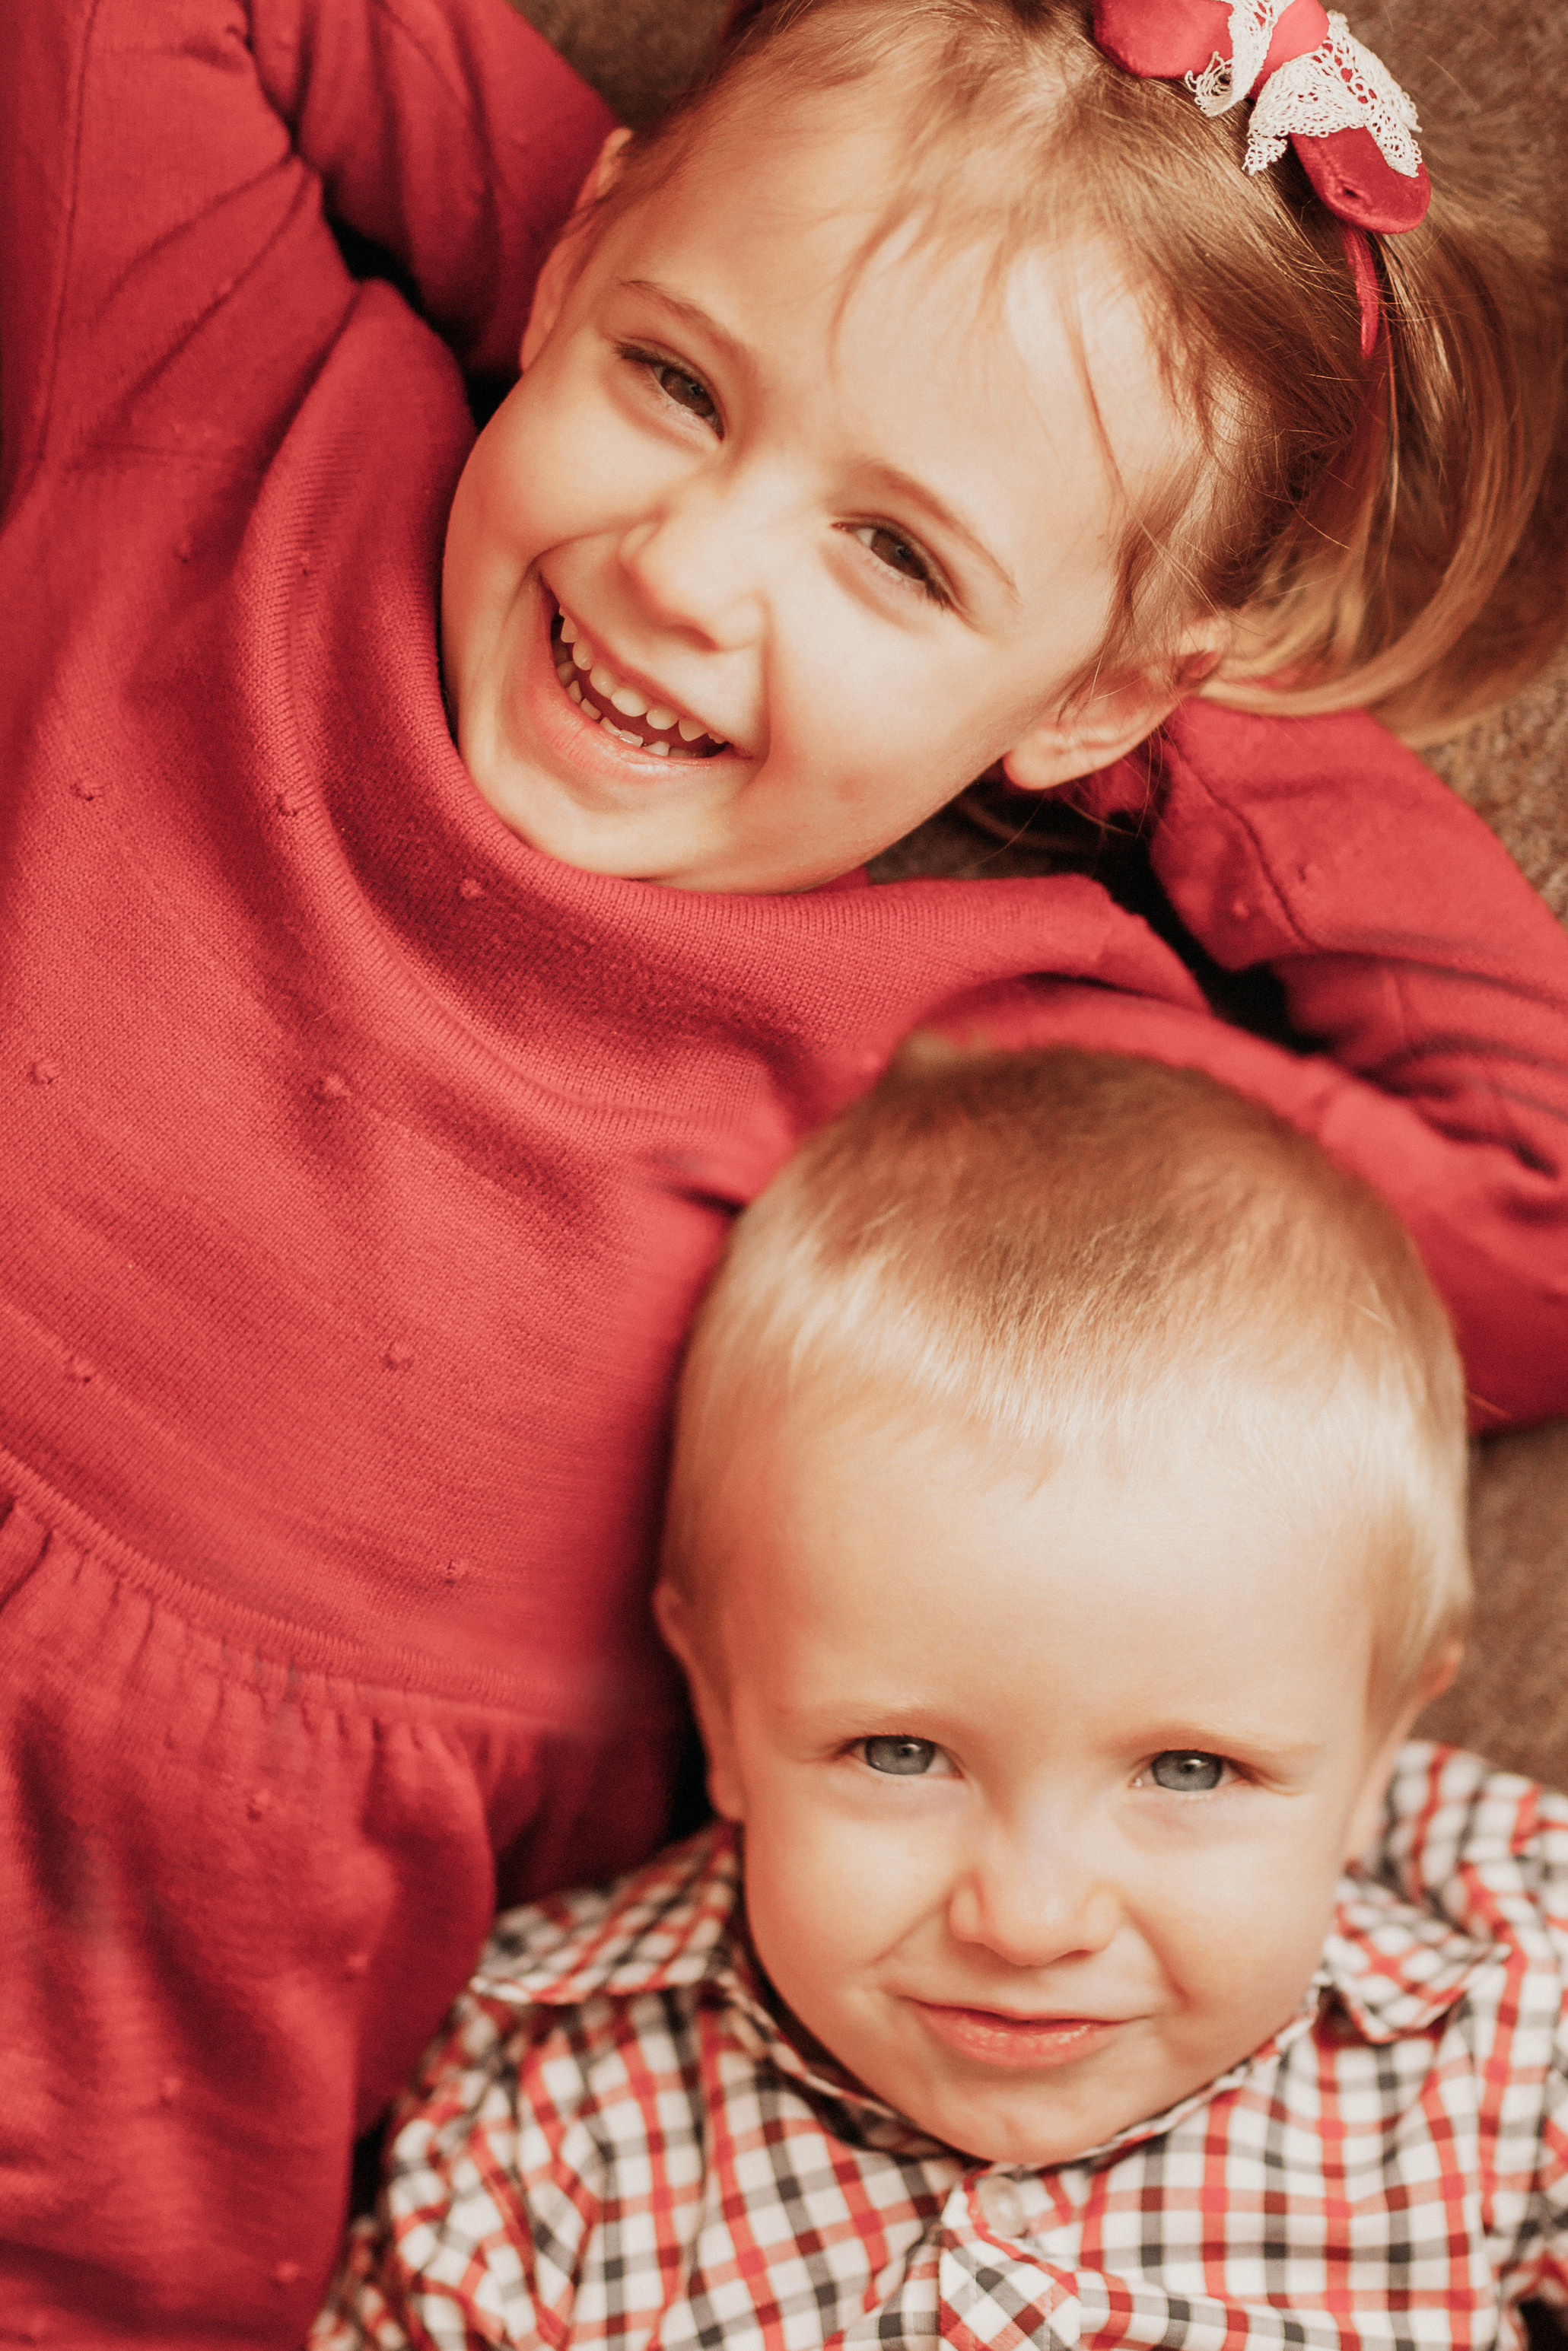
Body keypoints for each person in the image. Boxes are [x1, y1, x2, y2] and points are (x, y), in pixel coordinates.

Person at [2, 0, 1568, 2336]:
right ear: (575, 249)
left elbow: (1534, 1192)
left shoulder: (949, 1088)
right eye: (674, 385)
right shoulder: (215, 402)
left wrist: (1119, 695)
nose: (686, 568)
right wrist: (662, 229)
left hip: (128, 2169)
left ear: (1096, 692)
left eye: (896, 556)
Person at [315, 1046, 1568, 2350]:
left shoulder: (1508, 2011)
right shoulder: (546, 2102)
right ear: (722, 1703)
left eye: (1189, 1770)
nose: (1027, 1920)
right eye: (900, 1752)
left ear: (1380, 1746)